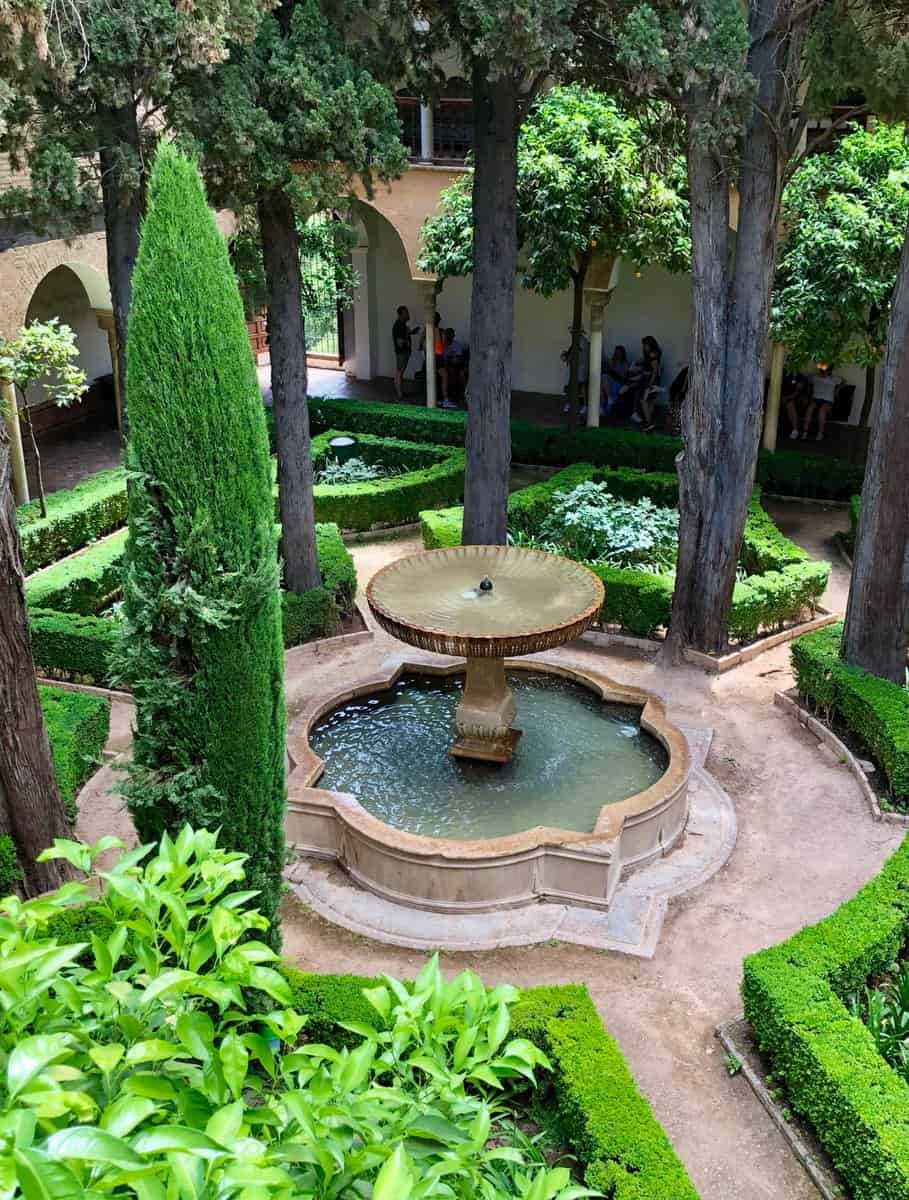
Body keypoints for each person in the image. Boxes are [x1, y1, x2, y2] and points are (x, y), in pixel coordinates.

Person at [803, 364, 842, 441]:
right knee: (810, 409)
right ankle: (805, 431)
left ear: (829, 371)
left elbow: (844, 382)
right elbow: (806, 379)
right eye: (822, 371)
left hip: (827, 401)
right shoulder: (815, 377)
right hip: (815, 399)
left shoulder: (834, 379)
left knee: (822, 410)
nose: (823, 372)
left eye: (826, 371)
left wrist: (838, 389)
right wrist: (808, 390)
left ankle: (820, 433)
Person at [633, 336, 663, 431]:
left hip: (650, 381)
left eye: (645, 345)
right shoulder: (654, 354)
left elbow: (654, 370)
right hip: (654, 381)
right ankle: (649, 423)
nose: (644, 347)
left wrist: (650, 383)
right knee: (650, 401)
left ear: (650, 345)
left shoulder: (652, 354)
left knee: (644, 400)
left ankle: (648, 422)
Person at [392, 305, 419, 400]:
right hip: (401, 353)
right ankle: (399, 396)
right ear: (401, 315)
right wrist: (408, 336)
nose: (408, 314)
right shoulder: (399, 326)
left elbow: (404, 337)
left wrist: (411, 332)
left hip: (404, 352)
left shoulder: (403, 325)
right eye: (406, 313)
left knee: (400, 372)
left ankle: (401, 393)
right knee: (399, 372)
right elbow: (400, 343)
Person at [443, 328, 468, 404]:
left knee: (461, 374)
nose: (449, 336)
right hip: (447, 365)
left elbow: (458, 359)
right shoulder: (443, 345)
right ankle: (453, 394)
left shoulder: (458, 344)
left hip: (459, 365)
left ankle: (462, 395)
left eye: (451, 334)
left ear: (453, 335)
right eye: (447, 334)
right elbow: (444, 360)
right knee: (450, 371)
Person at [782, 372, 811, 439]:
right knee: (789, 405)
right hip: (786, 398)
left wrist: (786, 398)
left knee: (790, 404)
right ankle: (794, 429)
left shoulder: (801, 377)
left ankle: (795, 430)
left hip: (798, 399)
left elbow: (797, 392)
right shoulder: (785, 375)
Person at [603, 345, 630, 416]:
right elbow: (607, 372)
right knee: (604, 376)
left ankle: (608, 408)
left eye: (619, 353)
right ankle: (609, 398)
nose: (618, 354)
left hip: (620, 381)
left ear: (622, 353)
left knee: (614, 385)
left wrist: (615, 372)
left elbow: (624, 376)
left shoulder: (625, 363)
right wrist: (609, 367)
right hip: (610, 380)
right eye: (616, 352)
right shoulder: (612, 361)